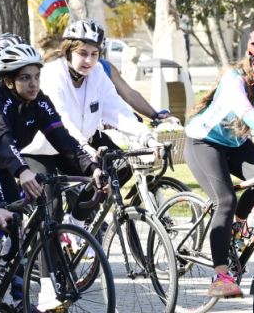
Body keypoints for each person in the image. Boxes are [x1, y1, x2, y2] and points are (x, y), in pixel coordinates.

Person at [0, 43, 105, 313]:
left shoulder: (39, 101)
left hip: (4, 164)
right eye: (24, 78)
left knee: (14, 229)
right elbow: (2, 140)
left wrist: (91, 168)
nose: (33, 84)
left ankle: (17, 299)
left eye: (36, 76)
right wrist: (22, 171)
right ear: (8, 80)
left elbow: (63, 140)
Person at [21, 18, 160, 228]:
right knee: (52, 209)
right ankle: (32, 251)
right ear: (68, 51)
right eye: (83, 53)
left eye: (94, 54)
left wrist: (146, 137)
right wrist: (86, 149)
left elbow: (118, 110)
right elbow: (63, 121)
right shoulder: (52, 75)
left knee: (119, 167)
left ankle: (77, 222)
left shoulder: (97, 75)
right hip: (41, 149)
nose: (89, 60)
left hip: (73, 146)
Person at [184, 28, 254, 298]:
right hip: (204, 142)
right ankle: (219, 276)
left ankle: (236, 226)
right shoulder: (235, 80)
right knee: (226, 200)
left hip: (236, 144)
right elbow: (246, 112)